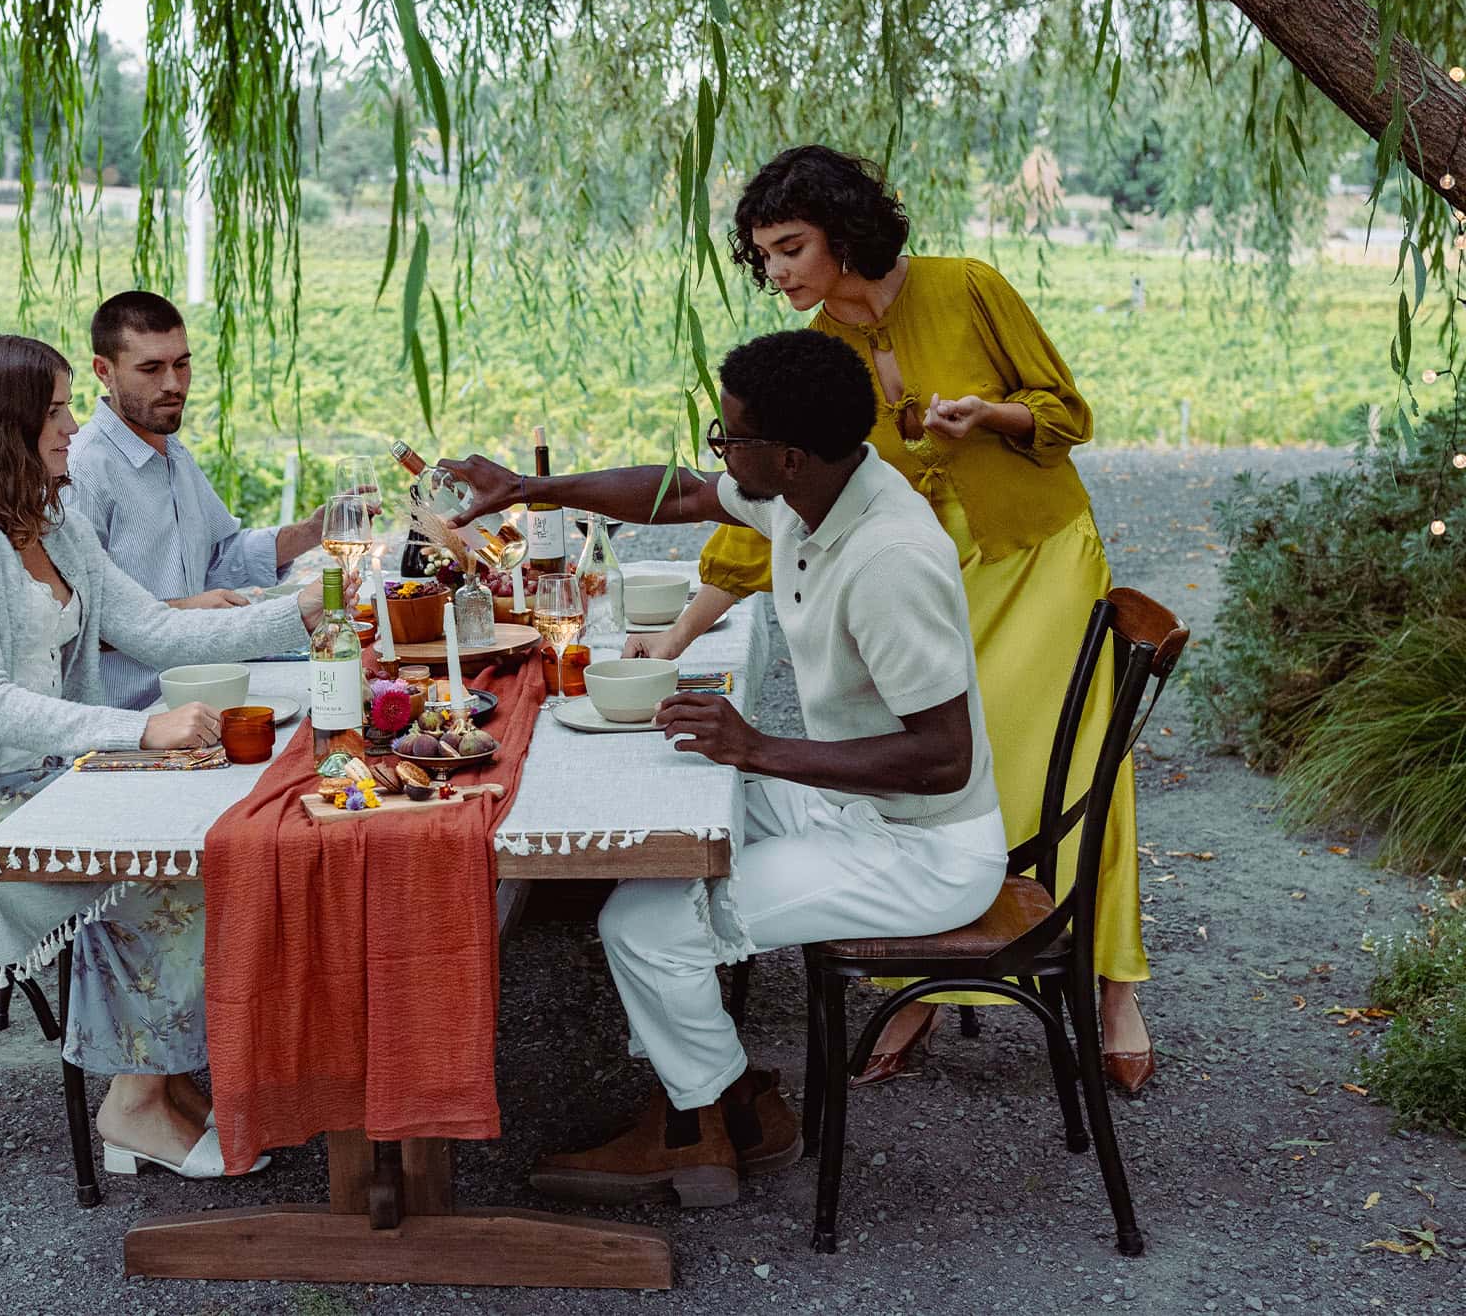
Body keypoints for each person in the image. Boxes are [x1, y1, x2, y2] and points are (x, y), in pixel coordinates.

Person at [439, 329, 1007, 1206]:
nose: (718, 452)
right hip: (854, 805)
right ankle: (733, 1102)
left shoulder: (887, 559)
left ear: (787, 456)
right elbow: (680, 494)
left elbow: (944, 758)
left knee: (644, 927)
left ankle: (696, 1128)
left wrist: (757, 749)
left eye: (729, 436)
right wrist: (528, 488)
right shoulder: (814, 494)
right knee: (661, 819)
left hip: (923, 849)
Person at [628, 146, 1154, 1093]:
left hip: (1037, 559)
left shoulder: (968, 288)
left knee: (1076, 779)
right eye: (764, 255)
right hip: (935, 585)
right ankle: (919, 981)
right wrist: (673, 639)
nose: (777, 272)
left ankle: (1114, 991)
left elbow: (1066, 414)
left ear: (844, 232)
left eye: (791, 247)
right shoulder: (817, 360)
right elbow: (770, 511)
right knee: (950, 778)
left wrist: (988, 418)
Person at [0, 333, 324, 1179]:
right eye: (54, 412)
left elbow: (157, 630)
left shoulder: (52, 520)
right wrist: (138, 732)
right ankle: (133, 1107)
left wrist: (299, 610)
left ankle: (163, 1082)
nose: (70, 428)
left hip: (49, 782)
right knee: (165, 863)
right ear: (4, 422)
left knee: (214, 833)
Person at [67, 290, 326, 710]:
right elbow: (72, 623)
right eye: (151, 368)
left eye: (182, 365)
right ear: (104, 371)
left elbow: (218, 559)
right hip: (129, 719)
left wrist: (312, 532)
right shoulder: (82, 470)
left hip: (203, 697)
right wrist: (184, 610)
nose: (173, 384)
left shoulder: (173, 451)